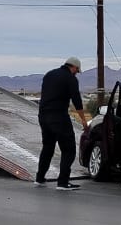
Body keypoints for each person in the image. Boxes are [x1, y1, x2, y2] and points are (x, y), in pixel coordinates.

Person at [36, 56, 89, 190]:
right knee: (68, 149)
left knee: (47, 147)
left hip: (43, 116)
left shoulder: (49, 75)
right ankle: (63, 182)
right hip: (59, 117)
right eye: (77, 71)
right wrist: (83, 120)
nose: (76, 73)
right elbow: (77, 100)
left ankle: (39, 178)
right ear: (74, 67)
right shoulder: (71, 78)